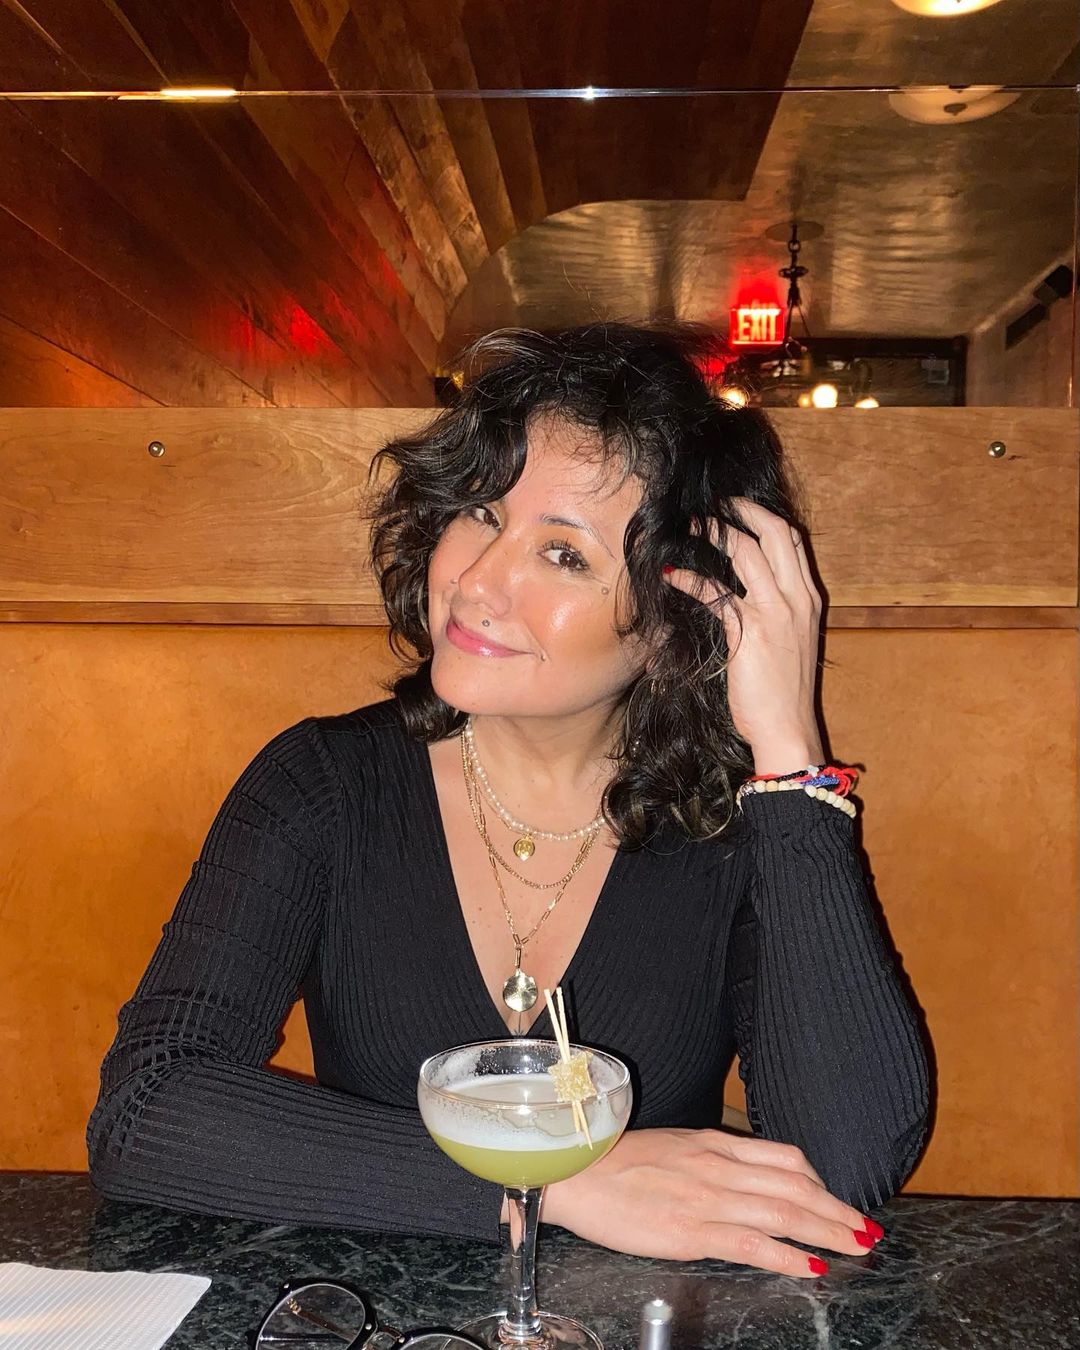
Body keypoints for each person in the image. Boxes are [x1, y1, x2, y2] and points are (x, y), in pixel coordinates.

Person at [88, 324, 930, 1279]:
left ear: (673, 623)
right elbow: (147, 1110)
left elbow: (848, 1165)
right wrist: (551, 1186)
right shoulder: (325, 783)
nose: (478, 581)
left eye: (563, 555)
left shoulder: (731, 828)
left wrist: (790, 757)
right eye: (482, 513)